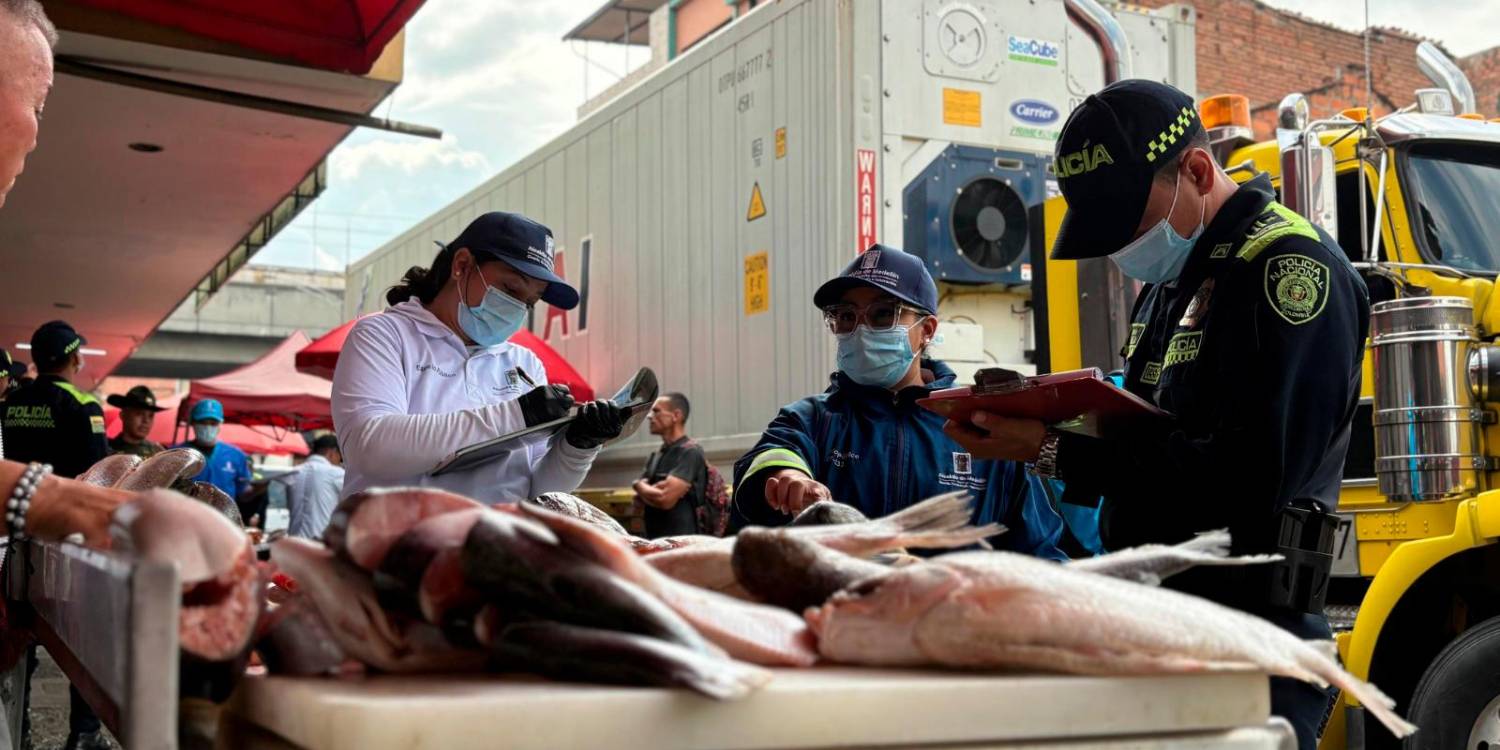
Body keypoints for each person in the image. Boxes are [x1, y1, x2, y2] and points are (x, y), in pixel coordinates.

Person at [942, 80, 1368, 748]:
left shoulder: (1289, 268)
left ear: (1196, 171)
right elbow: (1144, 430)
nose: (1119, 248)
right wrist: (1047, 416)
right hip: (1165, 617)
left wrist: (1050, 450)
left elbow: (1249, 478)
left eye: (1127, 224)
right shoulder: (1173, 286)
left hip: (1249, 634)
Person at [730, 246, 1066, 560]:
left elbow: (1040, 555)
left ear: (927, 330)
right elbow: (773, 454)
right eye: (846, 317)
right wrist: (789, 476)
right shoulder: (810, 419)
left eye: (882, 314)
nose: (860, 330)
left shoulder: (983, 427)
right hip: (835, 617)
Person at [332, 211, 627, 504]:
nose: (516, 308)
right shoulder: (384, 336)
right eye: (510, 288)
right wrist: (517, 415)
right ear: (462, 265)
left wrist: (578, 447)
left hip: (495, 543)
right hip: (397, 543)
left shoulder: (524, 364)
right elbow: (371, 447)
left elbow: (540, 490)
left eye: (529, 302)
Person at [0, 322, 108, 749]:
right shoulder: (82, 404)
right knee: (87, 642)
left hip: (11, 540)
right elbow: (99, 479)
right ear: (73, 356)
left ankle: (18, 730)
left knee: (15, 637)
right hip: (65, 541)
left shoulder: (11, 402)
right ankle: (83, 734)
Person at [633, 393, 708, 538]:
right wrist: (649, 492)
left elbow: (664, 499)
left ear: (676, 415)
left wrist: (638, 485)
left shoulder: (691, 452)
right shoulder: (656, 455)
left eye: (656, 411)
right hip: (654, 542)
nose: (649, 416)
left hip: (682, 544)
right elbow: (638, 502)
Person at [177, 399, 253, 504]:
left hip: (223, 518)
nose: (208, 427)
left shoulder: (236, 456)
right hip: (186, 516)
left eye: (213, 423)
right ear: (193, 423)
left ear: (220, 424)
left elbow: (244, 492)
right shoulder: (178, 454)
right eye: (203, 423)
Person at [286, 434, 345, 539]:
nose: (339, 462)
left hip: (294, 542)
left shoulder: (294, 472)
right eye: (340, 458)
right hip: (320, 543)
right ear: (332, 452)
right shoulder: (335, 473)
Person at [106, 385, 167, 459]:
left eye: (150, 416)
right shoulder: (107, 450)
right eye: (139, 414)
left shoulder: (158, 453)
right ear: (123, 415)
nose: (146, 421)